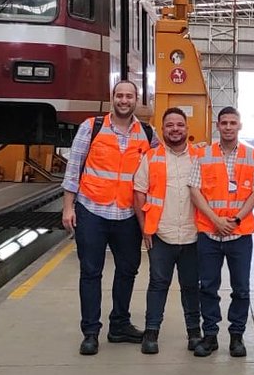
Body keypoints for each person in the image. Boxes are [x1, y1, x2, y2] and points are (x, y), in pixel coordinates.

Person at [62, 80, 157, 356]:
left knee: (128, 270)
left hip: (128, 214)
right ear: (112, 98)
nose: (124, 100)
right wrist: (68, 207)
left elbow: (163, 160)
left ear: (136, 100)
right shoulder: (91, 128)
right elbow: (74, 168)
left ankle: (119, 325)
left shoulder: (147, 133)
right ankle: (90, 332)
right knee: (91, 272)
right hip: (92, 210)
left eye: (129, 96)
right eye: (119, 95)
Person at [188, 107, 254, 358]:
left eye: (233, 123)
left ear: (240, 126)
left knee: (241, 288)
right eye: (224, 123)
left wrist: (235, 219)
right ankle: (210, 335)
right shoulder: (203, 154)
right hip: (209, 235)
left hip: (239, 234)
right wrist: (215, 220)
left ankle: (236, 336)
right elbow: (195, 190)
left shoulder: (253, 156)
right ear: (217, 125)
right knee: (208, 287)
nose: (228, 127)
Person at [133, 107, 202, 355]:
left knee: (191, 285)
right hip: (160, 234)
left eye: (179, 125)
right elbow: (139, 193)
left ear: (186, 128)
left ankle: (195, 332)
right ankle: (151, 332)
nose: (175, 129)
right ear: (162, 130)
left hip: (193, 234)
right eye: (170, 125)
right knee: (158, 284)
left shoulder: (200, 156)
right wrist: (145, 229)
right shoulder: (151, 158)